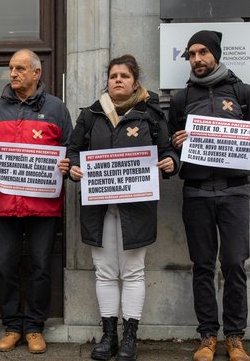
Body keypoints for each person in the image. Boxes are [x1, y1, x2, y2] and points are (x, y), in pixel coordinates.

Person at [67, 55, 179, 361]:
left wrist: (172, 162)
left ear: (135, 81)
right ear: (107, 80)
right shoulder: (90, 114)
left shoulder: (151, 114)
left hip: (137, 207)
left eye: (124, 76)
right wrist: (73, 169)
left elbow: (168, 150)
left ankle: (130, 338)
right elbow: (73, 151)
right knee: (104, 272)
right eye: (113, 75)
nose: (118, 79)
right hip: (99, 207)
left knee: (132, 271)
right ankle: (108, 337)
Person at [168, 31, 250, 361]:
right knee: (202, 266)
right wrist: (176, 145)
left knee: (235, 264)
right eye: (191, 54)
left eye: (202, 52)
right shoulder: (180, 99)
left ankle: (235, 337)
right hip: (195, 193)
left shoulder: (244, 92)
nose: (196, 59)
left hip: (235, 192)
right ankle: (207, 336)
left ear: (216, 55)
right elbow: (170, 148)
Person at [0, 49, 72, 354]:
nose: (13, 74)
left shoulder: (57, 109)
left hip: (43, 207)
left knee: (40, 267)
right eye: (10, 68)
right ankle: (11, 326)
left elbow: (71, 150)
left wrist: (66, 164)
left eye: (20, 68)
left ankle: (34, 327)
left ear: (37, 73)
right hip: (4, 204)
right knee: (5, 266)